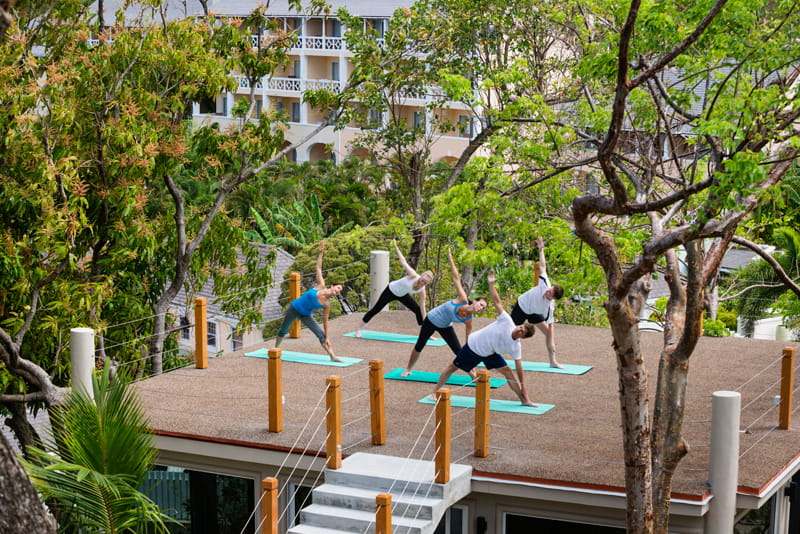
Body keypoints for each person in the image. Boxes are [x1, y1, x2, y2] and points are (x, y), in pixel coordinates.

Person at [431, 269, 537, 406]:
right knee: (452, 367)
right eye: (520, 327)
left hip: (489, 352)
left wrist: (525, 390)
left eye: (522, 332)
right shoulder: (507, 321)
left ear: (523, 337)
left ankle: (524, 400)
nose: (519, 330)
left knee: (509, 372)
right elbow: (497, 302)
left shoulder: (515, 346)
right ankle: (434, 392)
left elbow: (519, 368)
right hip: (474, 346)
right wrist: (491, 284)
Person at [401, 249, 487, 376]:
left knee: (459, 351)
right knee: (420, 345)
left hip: (445, 326)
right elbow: (456, 278)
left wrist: (469, 358)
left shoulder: (469, 320)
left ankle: (473, 375)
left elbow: (468, 342)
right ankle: (408, 369)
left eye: (483, 308)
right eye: (480, 304)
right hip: (431, 319)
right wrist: (450, 257)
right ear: (474, 302)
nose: (480, 308)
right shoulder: (462, 299)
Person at [275, 241, 343, 362]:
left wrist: (328, 337)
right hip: (294, 308)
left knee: (321, 335)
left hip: (305, 315)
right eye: (338, 288)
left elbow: (325, 322)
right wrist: (321, 253)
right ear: (332, 286)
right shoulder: (321, 286)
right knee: (283, 330)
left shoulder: (327, 305)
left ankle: (332, 356)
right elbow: (318, 268)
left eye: (340, 291)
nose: (338, 291)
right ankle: (275, 349)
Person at [355, 239, 433, 337]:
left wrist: (425, 321)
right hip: (390, 291)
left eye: (425, 283)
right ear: (421, 276)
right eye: (422, 280)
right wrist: (396, 247)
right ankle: (358, 329)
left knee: (417, 310)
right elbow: (403, 262)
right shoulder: (413, 276)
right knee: (376, 309)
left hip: (402, 295)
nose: (422, 283)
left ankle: (425, 334)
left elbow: (422, 308)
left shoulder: (422, 290)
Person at [510, 236, 564, 369]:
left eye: (549, 293)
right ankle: (489, 352)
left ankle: (552, 361)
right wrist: (541, 250)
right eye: (549, 290)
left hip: (533, 312)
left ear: (553, 299)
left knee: (549, 333)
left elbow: (551, 328)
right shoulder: (545, 283)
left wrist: (551, 338)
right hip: (521, 306)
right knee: (508, 331)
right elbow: (543, 266)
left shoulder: (549, 307)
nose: (547, 292)